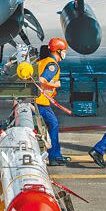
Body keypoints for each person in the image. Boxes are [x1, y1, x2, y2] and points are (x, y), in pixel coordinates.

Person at [36, 37, 71, 166]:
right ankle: (54, 156)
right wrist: (56, 84)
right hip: (41, 102)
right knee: (54, 124)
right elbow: (43, 80)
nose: (65, 53)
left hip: (39, 101)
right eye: (64, 51)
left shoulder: (43, 61)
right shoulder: (52, 65)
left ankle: (55, 155)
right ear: (58, 50)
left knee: (51, 124)